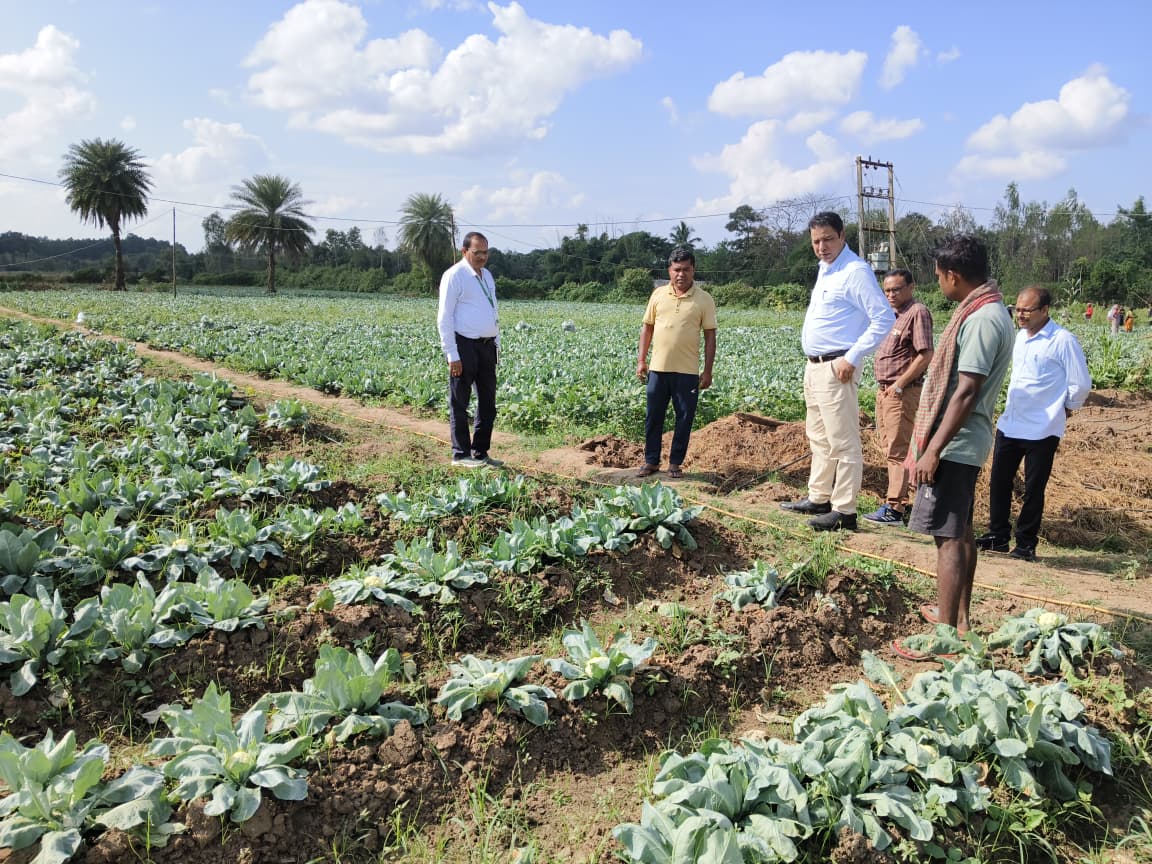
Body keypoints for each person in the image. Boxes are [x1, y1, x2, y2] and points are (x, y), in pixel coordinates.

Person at [892, 234, 1014, 657]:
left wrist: (932, 449)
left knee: (947, 538)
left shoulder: (981, 320)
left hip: (956, 443)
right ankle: (959, 622)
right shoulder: (989, 309)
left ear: (954, 276)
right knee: (960, 533)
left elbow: (965, 391)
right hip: (963, 440)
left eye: (940, 276)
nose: (939, 283)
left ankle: (943, 640)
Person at [780, 212, 895, 531]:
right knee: (818, 435)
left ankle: (844, 510)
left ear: (843, 235)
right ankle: (819, 496)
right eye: (816, 241)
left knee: (843, 441)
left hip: (837, 366)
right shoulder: (826, 269)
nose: (822, 246)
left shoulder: (855, 271)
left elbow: (883, 318)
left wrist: (853, 356)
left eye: (828, 239)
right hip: (814, 366)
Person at [977, 286, 1091, 562]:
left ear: (1044, 310)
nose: (1021, 315)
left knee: (1033, 488)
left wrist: (1066, 409)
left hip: (1043, 427)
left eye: (1027, 310)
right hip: (1012, 422)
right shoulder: (1019, 338)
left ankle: (1026, 544)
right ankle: (998, 535)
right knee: (999, 481)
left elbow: (1081, 383)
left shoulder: (1062, 340)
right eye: (1018, 309)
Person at [635, 247, 717, 479]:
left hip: (687, 371)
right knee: (654, 416)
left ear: (694, 270)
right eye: (677, 270)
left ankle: (675, 463)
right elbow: (647, 328)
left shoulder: (704, 299)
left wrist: (707, 371)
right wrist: (642, 360)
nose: (681, 274)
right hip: (658, 369)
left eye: (686, 270)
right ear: (669, 271)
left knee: (684, 417)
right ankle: (651, 461)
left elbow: (710, 336)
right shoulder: (658, 295)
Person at [863, 268, 935, 524]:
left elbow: (925, 354)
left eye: (896, 289)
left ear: (911, 287)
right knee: (890, 447)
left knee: (898, 450)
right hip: (886, 392)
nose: (891, 294)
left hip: (901, 392)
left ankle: (895, 508)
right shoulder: (893, 315)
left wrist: (900, 385)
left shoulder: (917, 313)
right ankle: (895, 503)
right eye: (887, 290)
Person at [436, 231, 502, 468]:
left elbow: (493, 310)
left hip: (486, 347)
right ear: (465, 251)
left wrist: (497, 343)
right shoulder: (454, 276)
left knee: (487, 403)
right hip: (463, 344)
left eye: (485, 252)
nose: (482, 257)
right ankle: (460, 454)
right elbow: (444, 318)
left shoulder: (487, 276)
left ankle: (480, 452)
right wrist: (451, 354)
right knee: (460, 401)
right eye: (477, 252)